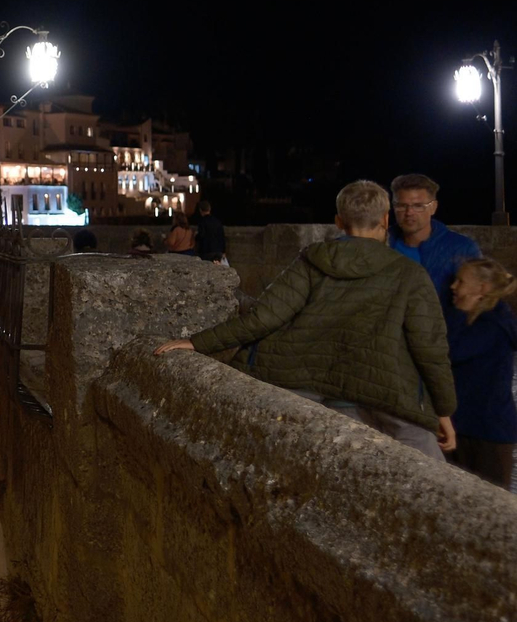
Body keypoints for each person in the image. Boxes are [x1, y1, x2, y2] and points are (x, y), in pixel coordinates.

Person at [155, 180, 456, 461]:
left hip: (316, 388)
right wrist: (443, 411)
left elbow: (264, 316)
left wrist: (197, 342)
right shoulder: (410, 274)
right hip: (387, 393)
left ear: (338, 222)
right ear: (386, 220)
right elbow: (430, 348)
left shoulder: (312, 259)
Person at [445, 258, 517, 489]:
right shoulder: (480, 321)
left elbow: (450, 352)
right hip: (469, 427)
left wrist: (457, 312)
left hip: (486, 433)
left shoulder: (493, 325)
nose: (453, 286)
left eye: (461, 281)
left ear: (482, 289)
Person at [388, 173, 481, 310]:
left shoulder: (462, 249)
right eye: (401, 206)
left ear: (433, 207)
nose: (409, 212)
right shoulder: (382, 244)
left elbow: (476, 304)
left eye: (418, 206)